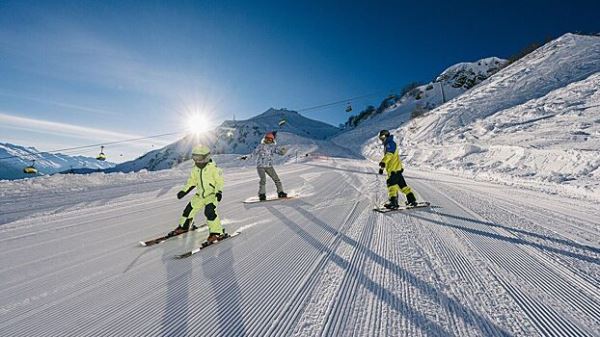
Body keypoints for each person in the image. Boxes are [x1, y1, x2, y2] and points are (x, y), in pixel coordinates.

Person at [172, 145, 225, 242]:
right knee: (188, 210)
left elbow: (219, 181)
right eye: (195, 158)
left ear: (206, 157)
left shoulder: (214, 169)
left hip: (211, 195)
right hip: (200, 195)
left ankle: (217, 233)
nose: (197, 161)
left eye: (199, 158)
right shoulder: (195, 169)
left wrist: (219, 192)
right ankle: (185, 226)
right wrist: (184, 191)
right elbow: (192, 181)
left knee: (209, 212)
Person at [241, 131, 288, 201]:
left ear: (272, 140)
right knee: (263, 180)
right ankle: (262, 195)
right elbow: (253, 153)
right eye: (267, 138)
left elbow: (280, 153)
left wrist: (283, 151)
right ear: (265, 139)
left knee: (277, 179)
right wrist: (246, 157)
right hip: (261, 166)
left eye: (270, 139)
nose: (268, 140)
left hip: (269, 166)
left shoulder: (273, 147)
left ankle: (280, 192)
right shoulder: (260, 146)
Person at [377, 130, 418, 209]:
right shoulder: (390, 144)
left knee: (391, 185)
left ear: (386, 136)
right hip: (397, 170)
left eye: (382, 138)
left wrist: (383, 162)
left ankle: (393, 203)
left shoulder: (389, 144)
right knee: (403, 186)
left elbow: (389, 155)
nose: (381, 140)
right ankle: (412, 200)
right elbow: (392, 157)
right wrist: (382, 168)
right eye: (380, 138)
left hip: (393, 170)